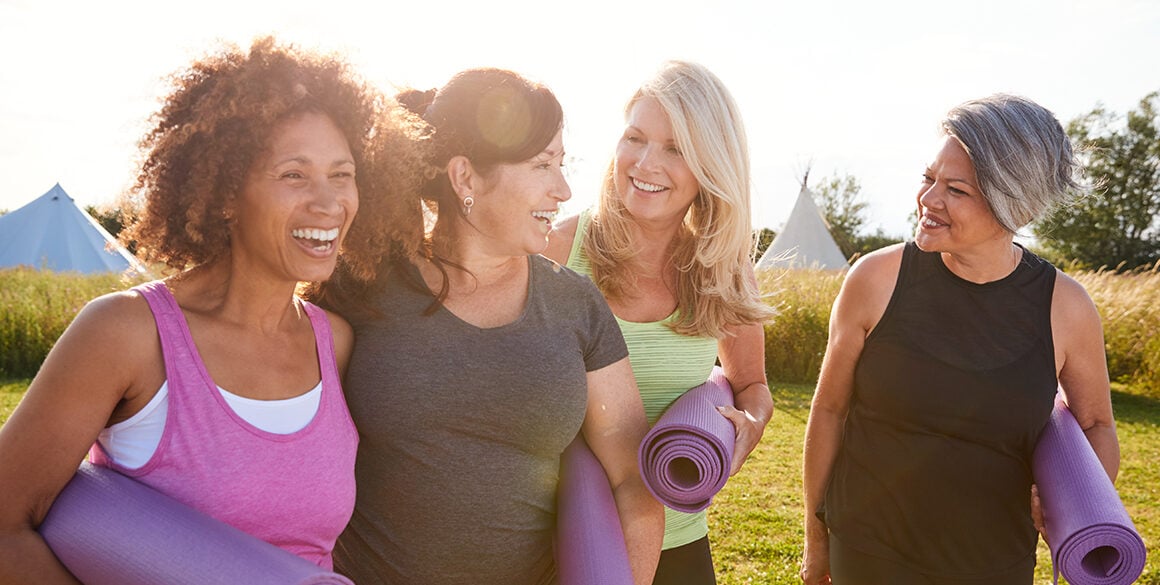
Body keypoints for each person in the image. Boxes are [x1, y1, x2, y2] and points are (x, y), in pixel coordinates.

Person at [0, 37, 422, 582]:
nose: (328, 202)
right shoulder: (127, 333)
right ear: (225, 192)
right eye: (294, 174)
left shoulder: (335, 342)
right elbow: (6, 525)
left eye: (342, 175)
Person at [315, 68, 664, 585]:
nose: (564, 189)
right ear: (465, 178)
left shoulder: (575, 305)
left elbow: (633, 481)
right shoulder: (360, 284)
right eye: (543, 165)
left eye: (562, 164)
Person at [800, 94, 1120, 585]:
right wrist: (816, 539)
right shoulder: (875, 278)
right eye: (928, 179)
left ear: (1018, 204)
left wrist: (1075, 502)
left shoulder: (1066, 307)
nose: (929, 200)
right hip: (866, 550)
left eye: (956, 190)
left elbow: (1097, 422)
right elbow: (828, 411)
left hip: (994, 563)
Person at [543, 60, 775, 585]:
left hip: (678, 544)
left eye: (676, 149)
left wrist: (750, 427)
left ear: (710, 168)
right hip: (560, 545)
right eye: (635, 138)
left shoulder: (722, 271)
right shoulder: (557, 249)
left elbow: (752, 385)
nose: (645, 163)